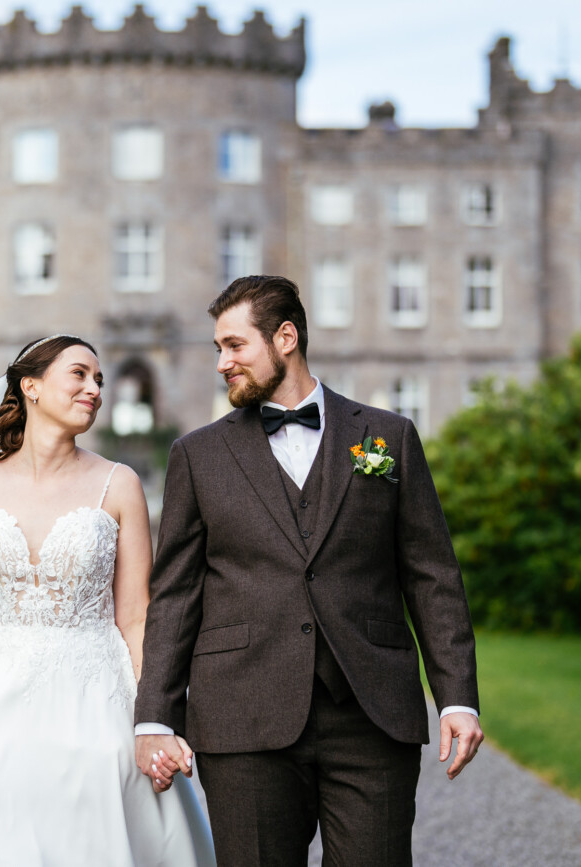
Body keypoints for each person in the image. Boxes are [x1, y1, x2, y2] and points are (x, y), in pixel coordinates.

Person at [134, 276, 484, 867]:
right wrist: (154, 717)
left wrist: (457, 699)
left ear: (286, 337)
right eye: (218, 349)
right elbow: (174, 594)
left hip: (372, 715)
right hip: (242, 717)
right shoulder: (197, 455)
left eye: (234, 345)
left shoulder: (387, 437)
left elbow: (431, 574)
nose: (223, 363)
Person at [0, 335, 213, 867]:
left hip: (94, 699)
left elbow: (136, 617)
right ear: (30, 386)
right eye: (79, 374)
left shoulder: (118, 485)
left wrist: (157, 720)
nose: (94, 389)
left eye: (99, 380)